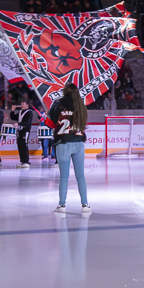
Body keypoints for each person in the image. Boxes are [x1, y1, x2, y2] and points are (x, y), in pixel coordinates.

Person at [50, 82, 90, 214]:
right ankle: (85, 204)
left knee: (64, 176)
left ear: (64, 91)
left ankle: (62, 205)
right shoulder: (81, 105)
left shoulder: (58, 104)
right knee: (80, 175)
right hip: (78, 142)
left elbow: (51, 122)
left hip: (63, 143)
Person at [14, 97, 35, 169]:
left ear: (27, 105)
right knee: (20, 145)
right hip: (19, 131)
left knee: (24, 145)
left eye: (23, 104)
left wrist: (19, 124)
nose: (22, 105)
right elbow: (13, 117)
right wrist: (12, 111)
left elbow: (27, 122)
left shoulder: (29, 112)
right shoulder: (20, 112)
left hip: (25, 131)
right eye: (21, 104)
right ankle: (22, 161)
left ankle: (26, 161)